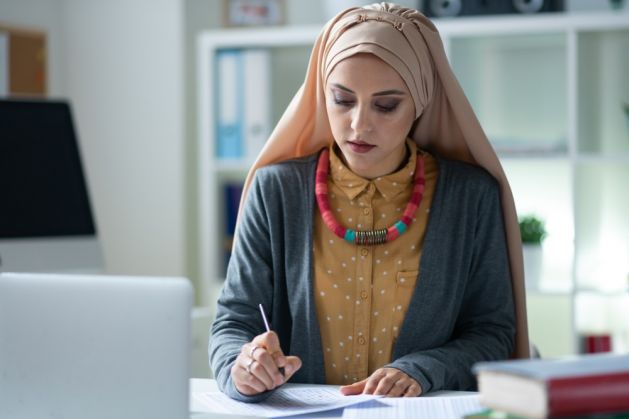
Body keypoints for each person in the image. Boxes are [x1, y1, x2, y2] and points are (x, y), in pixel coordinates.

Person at [209, 2, 529, 402]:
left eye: (386, 105)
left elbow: (493, 334)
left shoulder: (471, 197)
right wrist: (242, 368)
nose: (359, 124)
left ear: (419, 103)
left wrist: (422, 369)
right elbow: (233, 322)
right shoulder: (276, 190)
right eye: (342, 100)